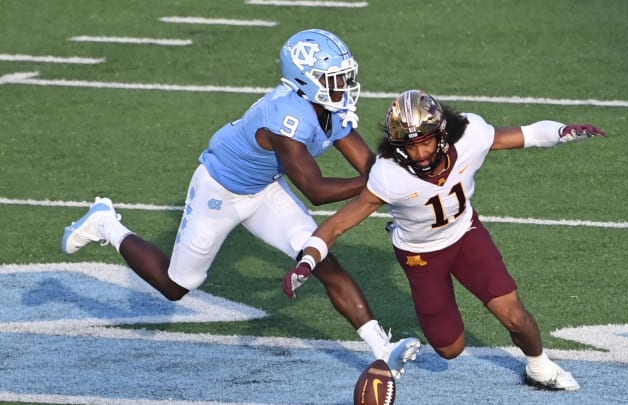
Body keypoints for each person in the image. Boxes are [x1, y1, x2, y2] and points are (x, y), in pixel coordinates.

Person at [61, 29, 420, 378]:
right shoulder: (286, 117)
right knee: (176, 285)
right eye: (333, 79)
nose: (343, 86)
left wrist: (400, 183)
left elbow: (369, 167)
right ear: (305, 80)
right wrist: (383, 184)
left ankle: (383, 350)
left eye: (344, 77)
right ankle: (106, 222)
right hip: (219, 190)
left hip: (265, 190)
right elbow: (316, 189)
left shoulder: (330, 109)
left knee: (323, 258)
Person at [284, 89, 606, 390]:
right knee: (450, 349)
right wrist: (308, 259)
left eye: (425, 142)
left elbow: (525, 134)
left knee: (514, 314)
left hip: (466, 234)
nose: (420, 153)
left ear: (442, 132)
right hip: (419, 254)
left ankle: (539, 366)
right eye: (410, 145)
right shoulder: (389, 174)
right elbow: (337, 225)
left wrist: (561, 132)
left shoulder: (470, 135)